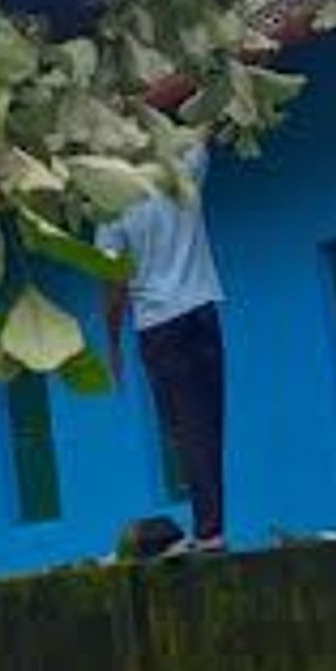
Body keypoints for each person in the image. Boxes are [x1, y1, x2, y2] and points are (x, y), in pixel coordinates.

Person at [98, 138, 227, 554]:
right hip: (203, 307)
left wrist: (113, 343)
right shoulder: (182, 169)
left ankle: (209, 533)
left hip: (158, 325)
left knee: (185, 429)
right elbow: (201, 129)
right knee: (209, 421)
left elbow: (113, 280)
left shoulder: (113, 204)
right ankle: (211, 526)